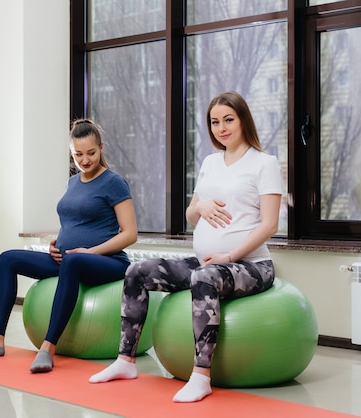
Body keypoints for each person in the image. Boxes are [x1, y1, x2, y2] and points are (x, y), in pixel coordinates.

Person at [88, 91, 283, 403]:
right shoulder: (210, 162)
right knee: (136, 271)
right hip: (205, 261)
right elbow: (191, 214)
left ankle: (201, 376)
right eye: (215, 122)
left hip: (252, 266)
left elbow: (270, 225)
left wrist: (229, 256)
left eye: (229, 119)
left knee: (203, 279)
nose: (222, 127)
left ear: (244, 120)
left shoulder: (265, 163)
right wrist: (202, 207)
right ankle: (125, 361)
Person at [0, 119, 138, 374]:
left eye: (91, 153)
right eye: (78, 154)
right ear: (71, 152)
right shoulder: (73, 183)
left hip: (106, 262)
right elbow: (73, 221)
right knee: (7, 259)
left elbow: (130, 234)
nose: (84, 160)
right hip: (67, 260)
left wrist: (90, 252)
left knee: (74, 261)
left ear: (101, 148)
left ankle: (47, 348)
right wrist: (58, 241)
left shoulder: (114, 182)